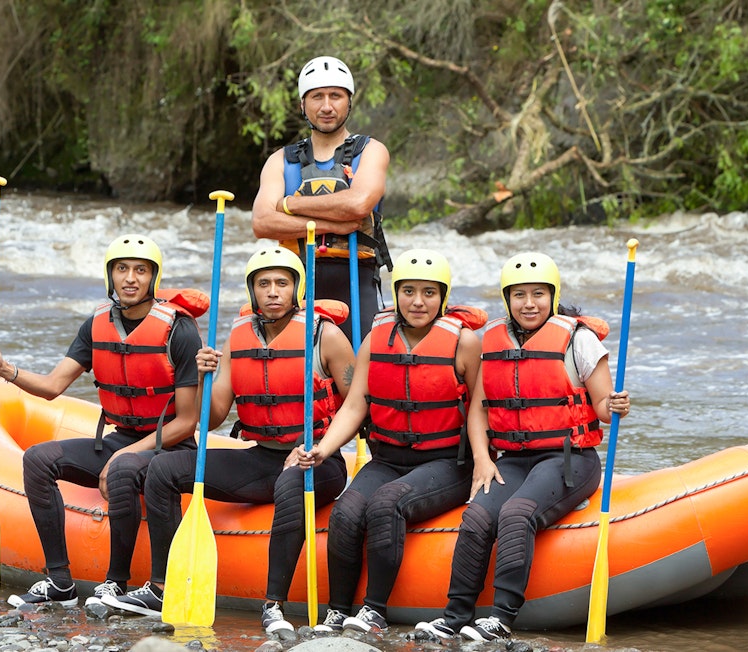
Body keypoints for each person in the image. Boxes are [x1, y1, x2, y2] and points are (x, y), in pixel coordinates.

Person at [104, 246, 357, 632]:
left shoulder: (327, 336)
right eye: (264, 284)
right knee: (163, 468)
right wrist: (205, 375)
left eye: (282, 283)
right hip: (261, 458)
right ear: (252, 291)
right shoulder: (239, 337)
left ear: (297, 289)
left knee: (292, 481)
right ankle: (160, 587)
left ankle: (273, 604)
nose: (273, 292)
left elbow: (357, 404)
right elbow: (213, 417)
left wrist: (320, 448)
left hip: (318, 461)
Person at [0, 234, 205, 609]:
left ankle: (115, 582)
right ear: (110, 276)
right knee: (37, 459)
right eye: (122, 269)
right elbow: (52, 386)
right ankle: (60, 582)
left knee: (122, 468)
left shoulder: (179, 330)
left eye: (140, 270)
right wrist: (5, 369)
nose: (130, 278)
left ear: (153, 278)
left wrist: (121, 457)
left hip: (170, 447)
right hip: (123, 437)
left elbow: (186, 422)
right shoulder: (97, 323)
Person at [413, 252, 631, 641]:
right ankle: (453, 617)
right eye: (519, 295)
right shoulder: (492, 341)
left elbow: (600, 405)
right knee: (478, 516)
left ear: (553, 295)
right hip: (513, 458)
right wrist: (482, 460)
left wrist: (614, 404)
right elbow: (478, 412)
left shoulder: (578, 340)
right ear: (507, 298)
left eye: (538, 294)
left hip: (569, 458)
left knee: (516, 513)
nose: (529, 304)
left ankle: (500, 619)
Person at [294, 249, 486, 633]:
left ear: (443, 297)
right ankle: (337, 611)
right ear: (396, 293)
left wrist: (482, 459)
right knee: (347, 511)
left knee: (387, 503)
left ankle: (374, 611)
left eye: (429, 293)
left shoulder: (465, 343)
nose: (418, 301)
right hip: (388, 457)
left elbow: (480, 409)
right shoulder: (376, 338)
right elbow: (354, 406)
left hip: (447, 461)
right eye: (409, 291)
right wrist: (321, 449)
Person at [251, 55, 393, 343]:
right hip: (295, 283)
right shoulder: (280, 160)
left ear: (349, 101)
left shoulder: (372, 151)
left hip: (357, 280)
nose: (327, 106)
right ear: (303, 104)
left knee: (358, 377)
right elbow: (262, 222)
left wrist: (289, 205)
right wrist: (335, 225)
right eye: (317, 97)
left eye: (336, 96)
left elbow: (358, 204)